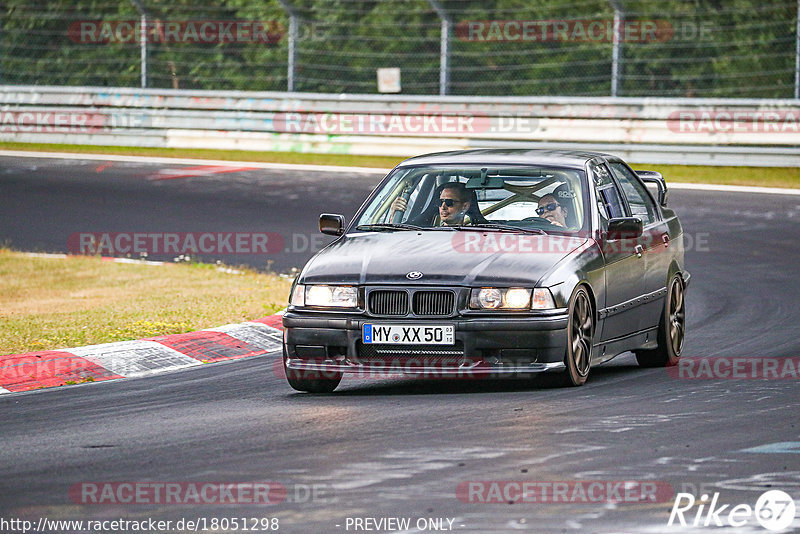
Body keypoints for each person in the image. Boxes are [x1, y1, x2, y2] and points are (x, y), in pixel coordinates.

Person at [390, 182, 474, 226]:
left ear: (465, 206)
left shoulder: (473, 238)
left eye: (449, 202)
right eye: (440, 202)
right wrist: (393, 217)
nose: (443, 207)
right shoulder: (422, 232)